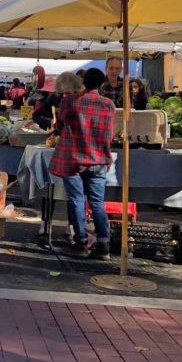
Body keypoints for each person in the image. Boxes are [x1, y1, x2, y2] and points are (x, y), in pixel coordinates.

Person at [48, 68, 115, 259]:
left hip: (74, 158)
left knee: (77, 200)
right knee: (97, 202)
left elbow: (61, 125)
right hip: (98, 158)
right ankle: (104, 245)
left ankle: (82, 243)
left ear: (83, 81)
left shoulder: (69, 101)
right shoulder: (109, 104)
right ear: (102, 84)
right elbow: (109, 134)